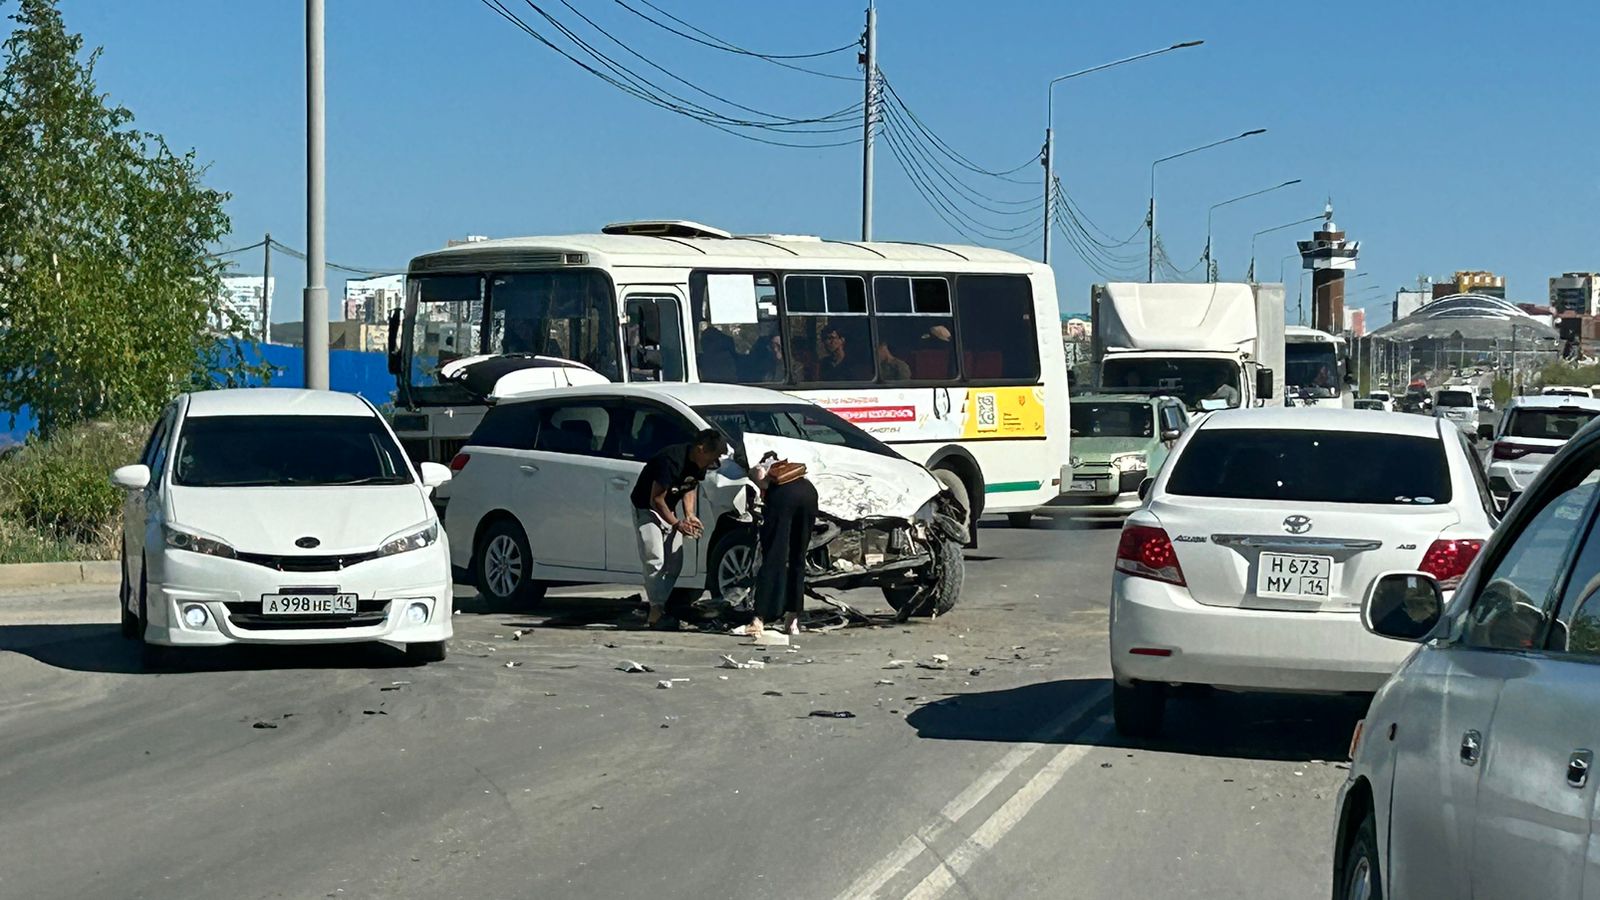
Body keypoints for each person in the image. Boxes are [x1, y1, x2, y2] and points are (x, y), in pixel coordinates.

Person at [630, 429, 728, 629]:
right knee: (654, 556)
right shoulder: (670, 461)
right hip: (647, 508)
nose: (713, 463)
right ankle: (656, 609)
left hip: (670, 508)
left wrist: (689, 515)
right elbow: (656, 499)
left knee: (675, 561)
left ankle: (661, 603)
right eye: (713, 457)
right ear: (701, 449)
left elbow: (690, 486)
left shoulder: (698, 464)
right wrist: (676, 523)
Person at [746, 454, 819, 641]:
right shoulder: (790, 466)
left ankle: (759, 618)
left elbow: (762, 483)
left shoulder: (759, 466)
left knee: (774, 557)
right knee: (798, 557)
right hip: (809, 493)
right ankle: (793, 620)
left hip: (785, 497)